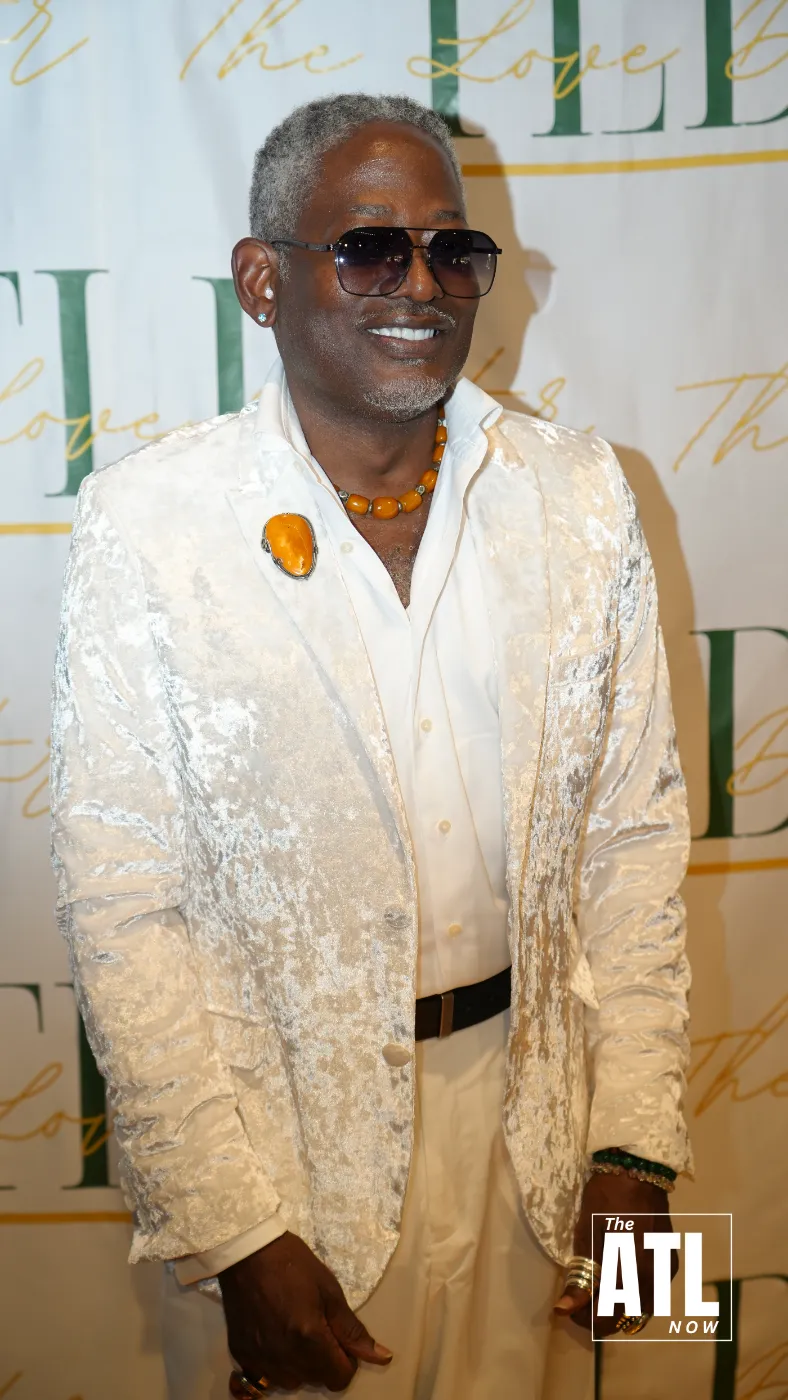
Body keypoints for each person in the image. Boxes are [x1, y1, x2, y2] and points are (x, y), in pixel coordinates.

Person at [50, 93, 692, 1400]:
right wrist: (232, 1235)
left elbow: (633, 840)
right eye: (370, 248)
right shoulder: (151, 525)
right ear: (263, 281)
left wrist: (641, 1147)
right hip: (286, 1182)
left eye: (453, 250)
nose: (422, 285)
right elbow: (123, 909)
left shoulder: (581, 492)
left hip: (548, 1143)